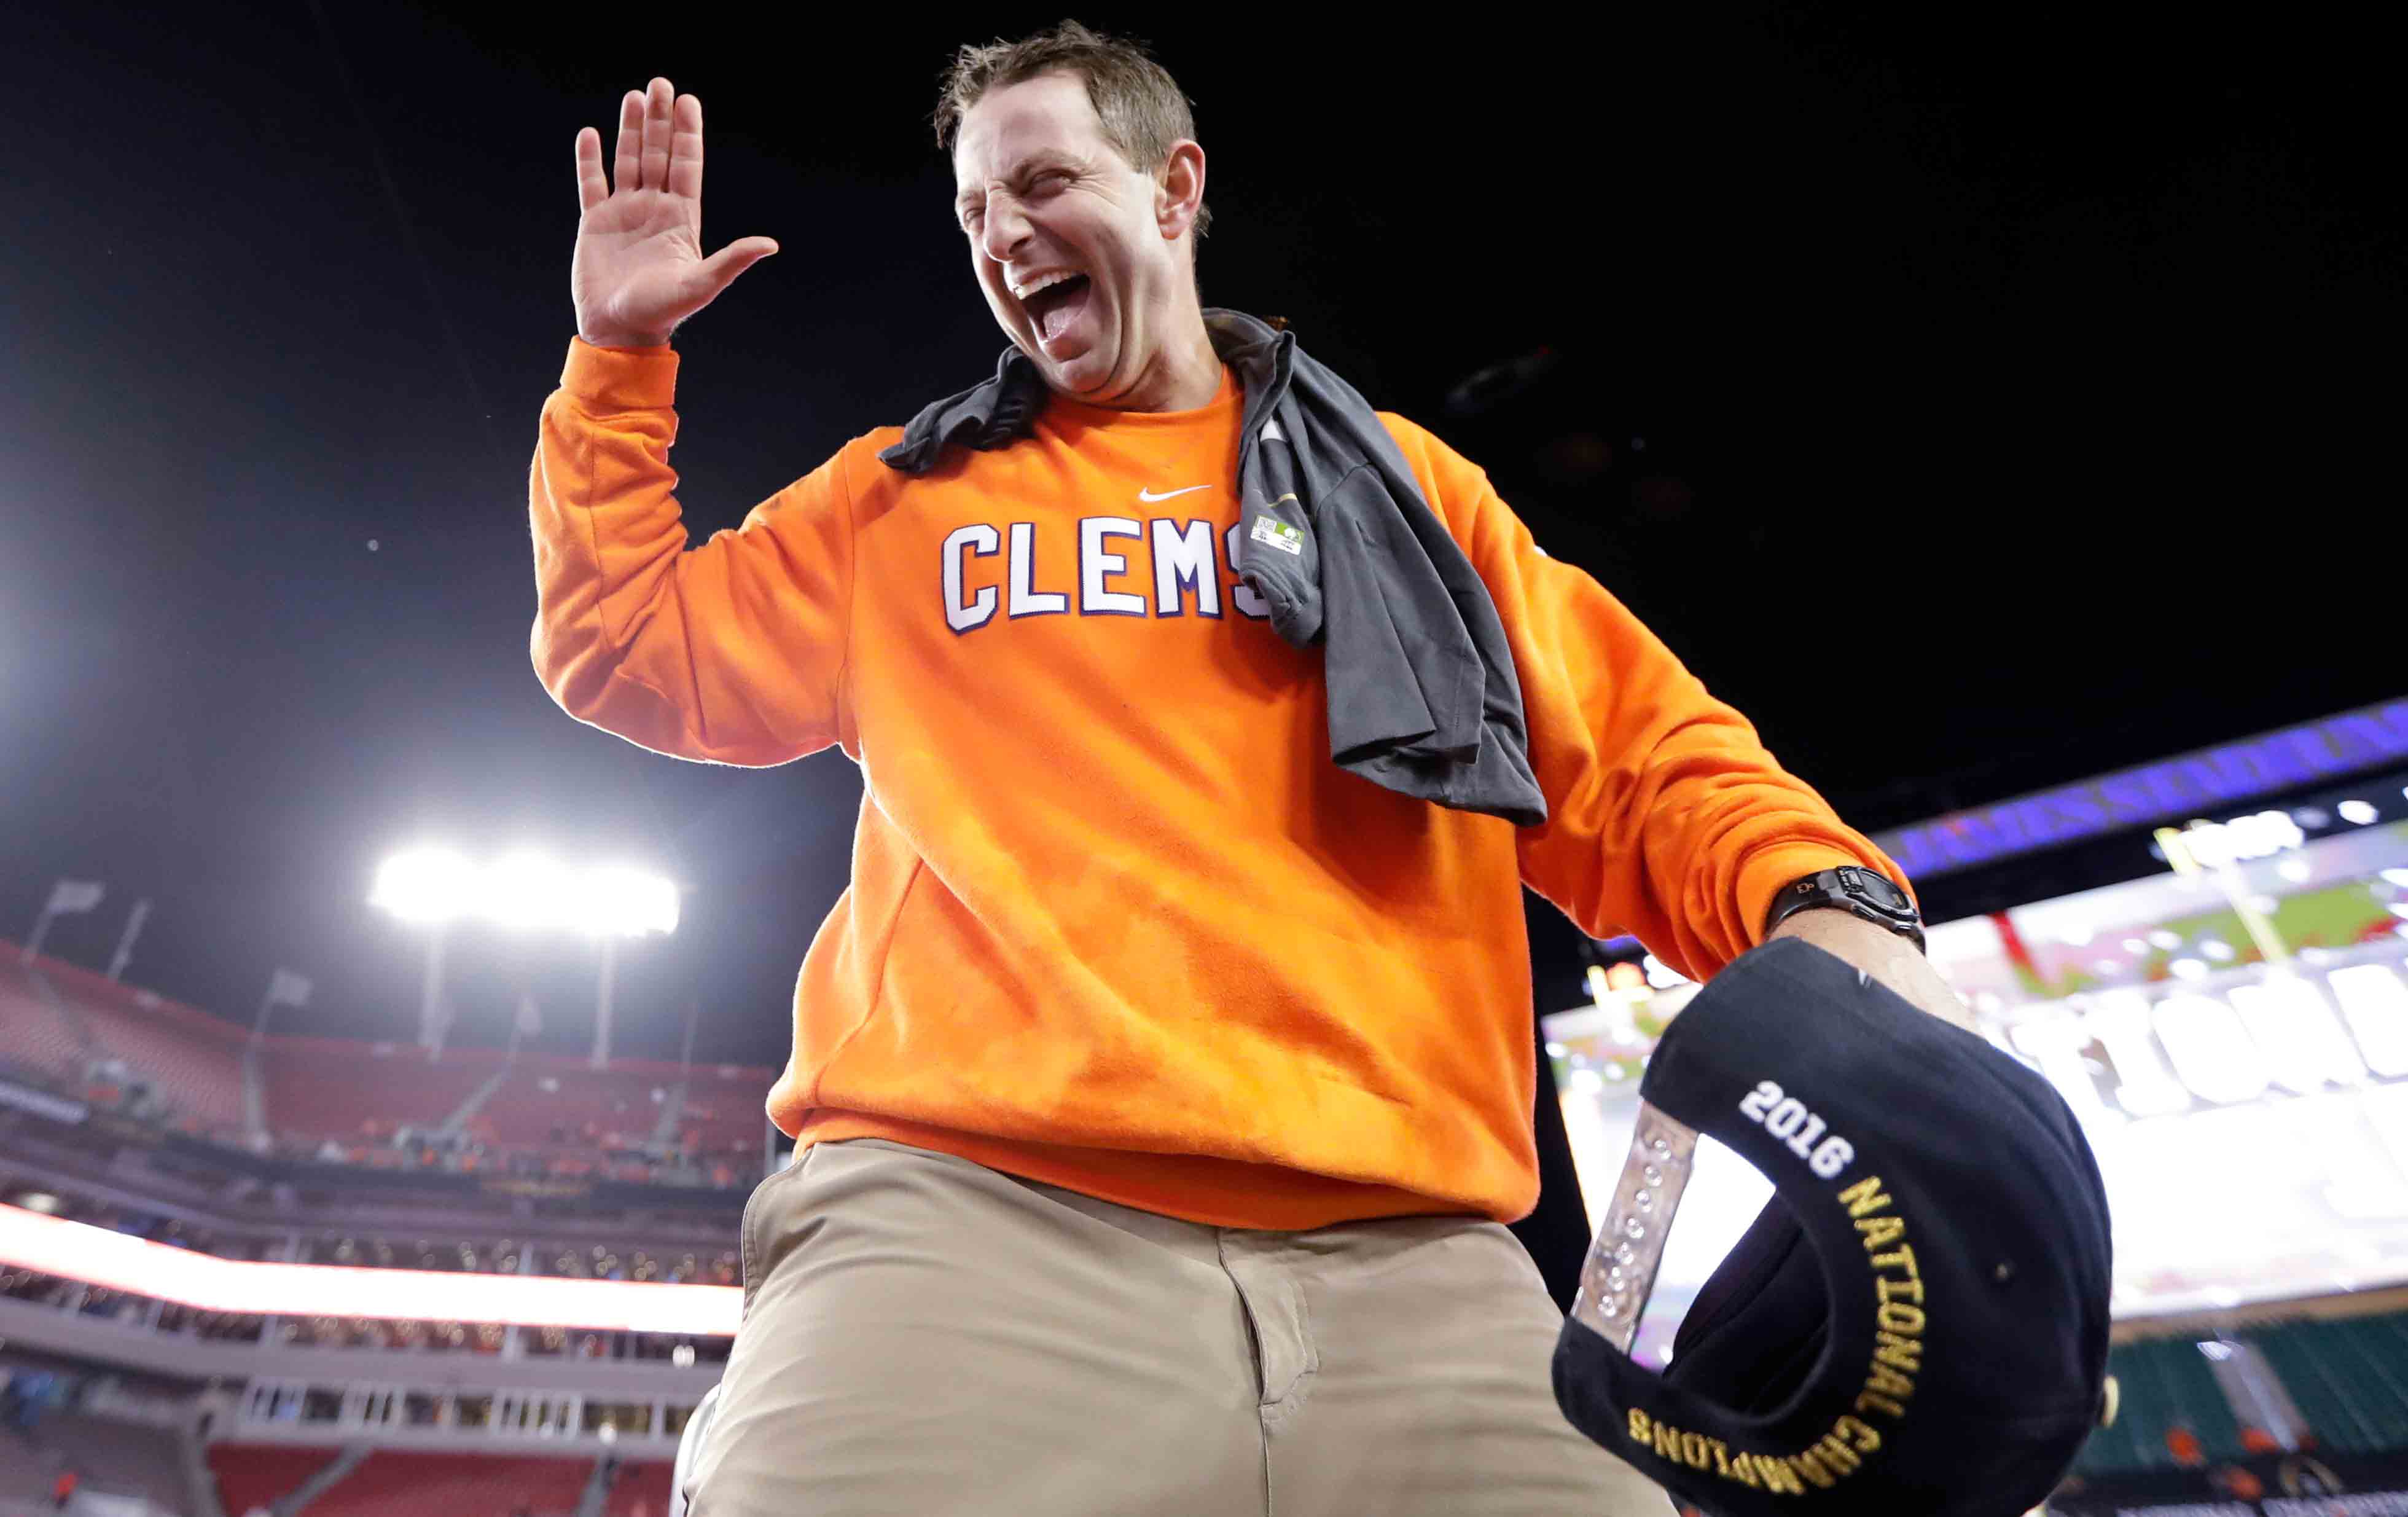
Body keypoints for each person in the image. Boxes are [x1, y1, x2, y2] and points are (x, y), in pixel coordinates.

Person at [533, 22, 1968, 1516]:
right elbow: (624, 645)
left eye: (1043, 182)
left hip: (1415, 1263)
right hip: (969, 1225)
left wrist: (1835, 908)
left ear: (1174, 189)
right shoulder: (898, 501)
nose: (1003, 233)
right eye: (973, 209)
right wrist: (619, 360)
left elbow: (1639, 766)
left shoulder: (1404, 490)